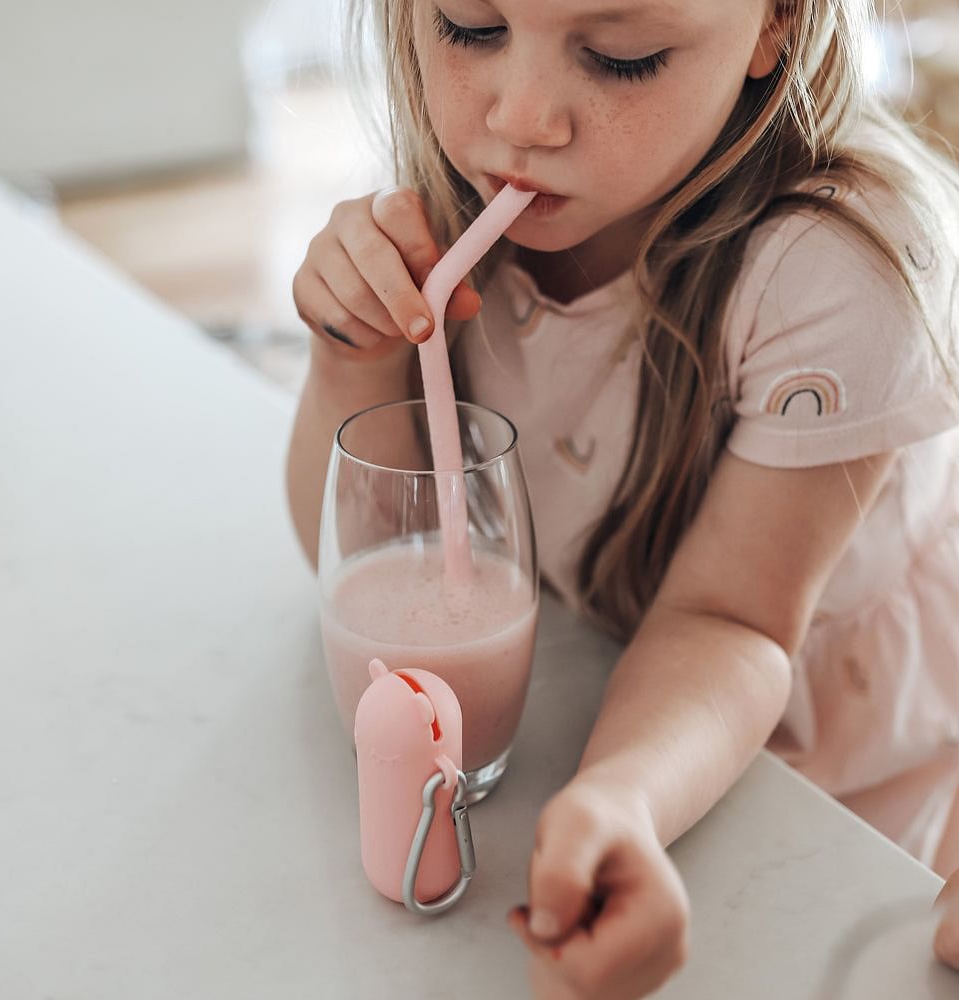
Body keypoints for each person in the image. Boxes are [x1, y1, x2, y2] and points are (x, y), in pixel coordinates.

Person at [286, 0, 959, 995]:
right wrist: (355, 358)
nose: (519, 118)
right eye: (469, 28)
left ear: (774, 24)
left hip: (825, 751)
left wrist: (620, 801)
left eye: (619, 56)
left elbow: (730, 621)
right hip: (598, 670)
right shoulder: (449, 207)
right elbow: (360, 550)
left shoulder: (839, 271)